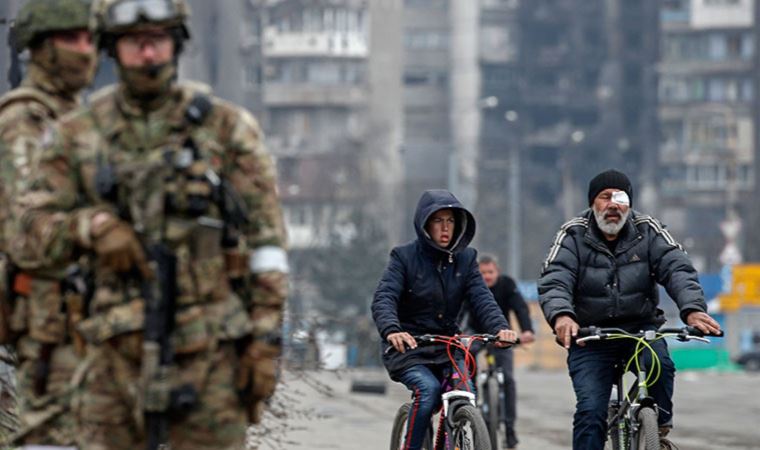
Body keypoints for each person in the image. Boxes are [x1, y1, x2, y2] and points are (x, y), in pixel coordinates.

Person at [7, 0, 288, 448]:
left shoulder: (227, 130)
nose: (148, 55)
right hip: (108, 354)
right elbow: (28, 231)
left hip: (208, 352)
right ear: (113, 49)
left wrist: (264, 342)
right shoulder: (78, 135)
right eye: (135, 43)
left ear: (175, 44)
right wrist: (93, 227)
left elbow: (267, 246)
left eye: (157, 40)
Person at [537, 169, 722, 450]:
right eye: (604, 197)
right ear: (592, 203)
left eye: (620, 197)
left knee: (660, 365)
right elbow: (555, 278)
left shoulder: (649, 230)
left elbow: (678, 269)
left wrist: (692, 310)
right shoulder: (572, 234)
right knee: (590, 412)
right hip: (590, 336)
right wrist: (563, 315)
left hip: (640, 331)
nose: (613, 204)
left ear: (630, 204)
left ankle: (657, 430)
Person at [0, 0, 97, 445]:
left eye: (89, 39)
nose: (84, 51)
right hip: (45, 324)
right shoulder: (25, 122)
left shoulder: (78, 121)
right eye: (70, 39)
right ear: (39, 48)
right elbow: (26, 231)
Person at [372, 189, 517, 450]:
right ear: (425, 224)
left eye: (450, 220)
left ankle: (456, 438)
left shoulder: (467, 259)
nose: (445, 227)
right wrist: (393, 330)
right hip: (409, 347)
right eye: (438, 220)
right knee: (427, 392)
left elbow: (482, 298)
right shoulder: (403, 257)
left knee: (465, 394)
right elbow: (384, 298)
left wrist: (500, 328)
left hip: (448, 347)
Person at [460, 253, 535, 450]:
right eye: (482, 272)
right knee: (468, 368)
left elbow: (520, 308)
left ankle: (510, 429)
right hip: (475, 334)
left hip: (502, 337)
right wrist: (458, 333)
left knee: (508, 379)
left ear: (498, 272)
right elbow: (461, 311)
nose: (486, 276)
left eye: (490, 272)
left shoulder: (507, 285)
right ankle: (472, 410)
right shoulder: (472, 286)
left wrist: (527, 330)